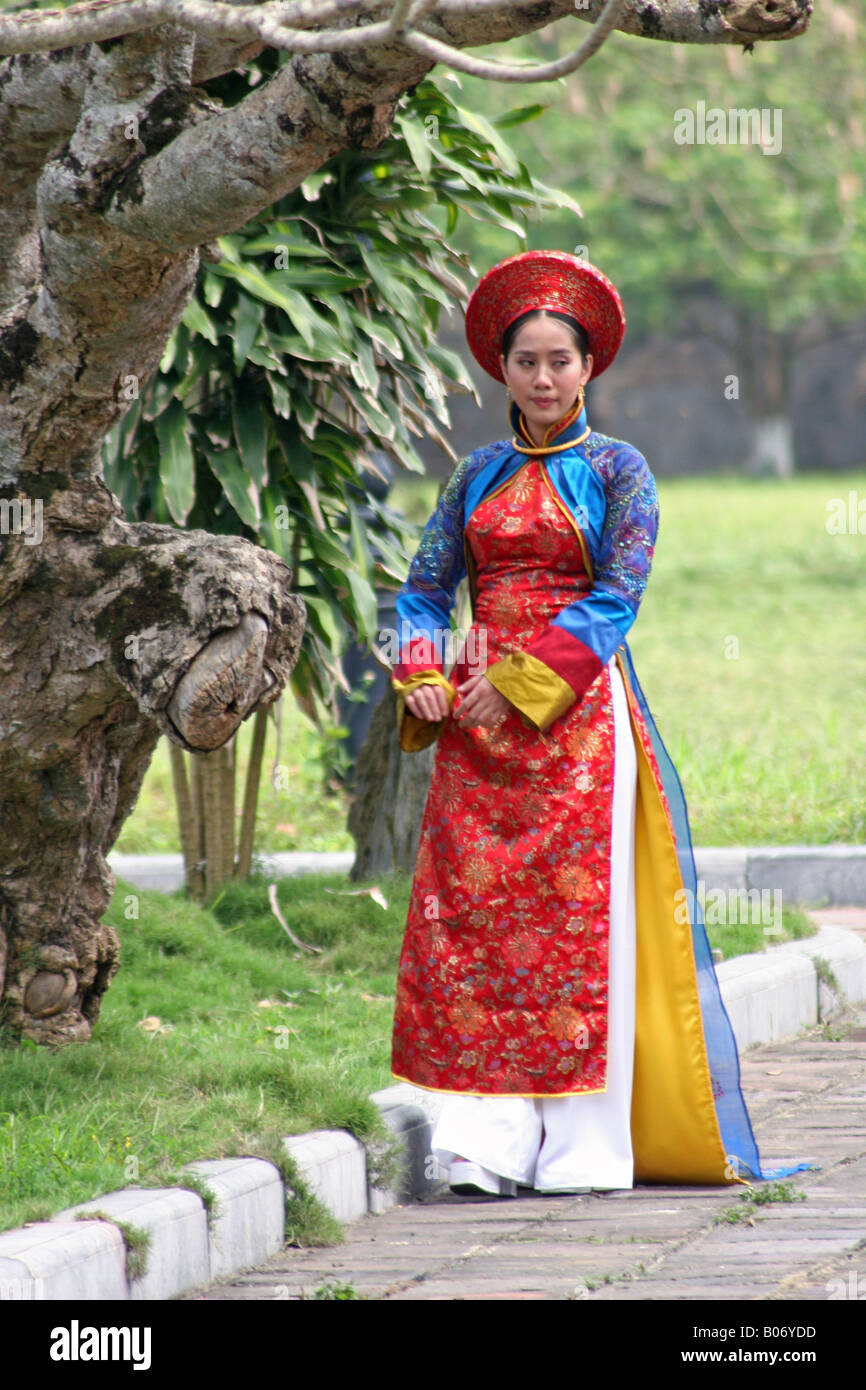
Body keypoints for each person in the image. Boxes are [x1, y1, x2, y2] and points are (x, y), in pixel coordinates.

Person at [389, 250, 812, 1198]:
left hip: (576, 723)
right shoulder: (473, 475)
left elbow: (619, 596)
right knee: (478, 926)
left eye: (560, 362)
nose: (543, 379)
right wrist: (422, 672)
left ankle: (585, 1152)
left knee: (582, 924)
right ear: (502, 369)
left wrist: (528, 680)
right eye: (526, 361)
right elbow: (423, 592)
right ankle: (484, 1147)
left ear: (590, 369)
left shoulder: (623, 471)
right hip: (472, 725)